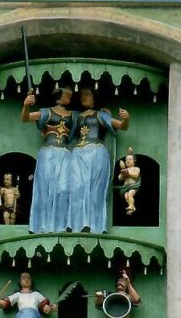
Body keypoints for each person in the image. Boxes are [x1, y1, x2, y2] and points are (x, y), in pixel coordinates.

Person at [68, 87, 129, 233]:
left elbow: (121, 125)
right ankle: (75, 223)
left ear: (94, 98)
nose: (84, 97)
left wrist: (126, 118)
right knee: (77, 188)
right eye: (82, 95)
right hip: (78, 153)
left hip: (95, 152)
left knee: (95, 189)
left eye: (87, 94)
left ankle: (94, 224)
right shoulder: (76, 117)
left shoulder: (101, 115)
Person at [21, 85, 75, 233]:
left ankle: (61, 224)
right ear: (60, 95)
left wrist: (104, 112)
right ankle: (43, 224)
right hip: (48, 153)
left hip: (65, 154)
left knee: (63, 189)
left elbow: (89, 118)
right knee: (45, 188)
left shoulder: (73, 114)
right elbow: (26, 118)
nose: (70, 97)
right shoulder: (46, 112)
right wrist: (26, 105)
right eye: (67, 95)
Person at [117, 148, 141, 215]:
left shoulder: (136, 168)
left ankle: (131, 206)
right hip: (126, 187)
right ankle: (132, 207)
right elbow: (120, 178)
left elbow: (136, 175)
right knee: (126, 195)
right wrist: (122, 173)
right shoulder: (125, 169)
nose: (127, 161)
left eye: (130, 159)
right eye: (126, 160)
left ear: (134, 161)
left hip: (133, 186)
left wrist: (128, 173)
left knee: (130, 194)